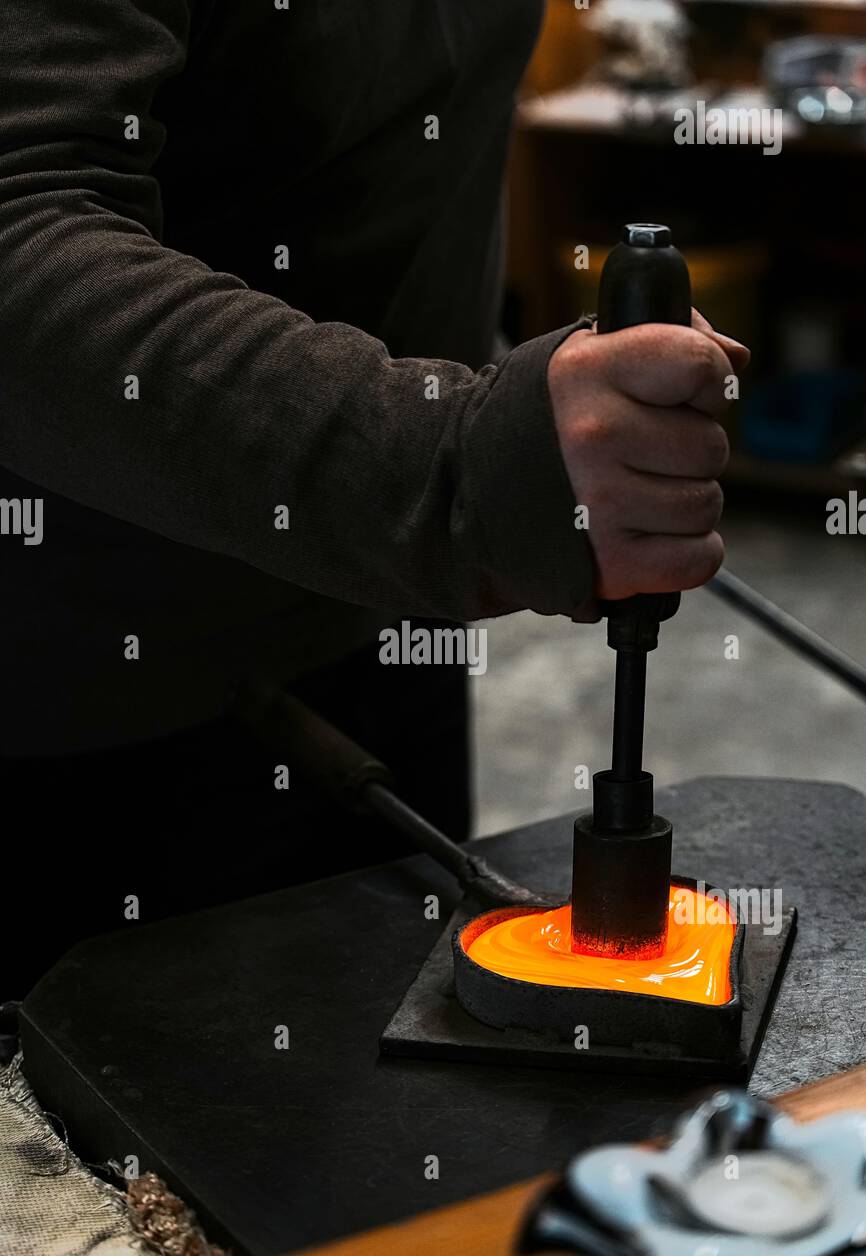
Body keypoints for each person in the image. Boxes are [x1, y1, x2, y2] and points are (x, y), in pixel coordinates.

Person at [0, 1, 748, 994]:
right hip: (91, 695)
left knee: (397, 1094)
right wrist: (446, 466)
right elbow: (19, 226)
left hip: (383, 609)